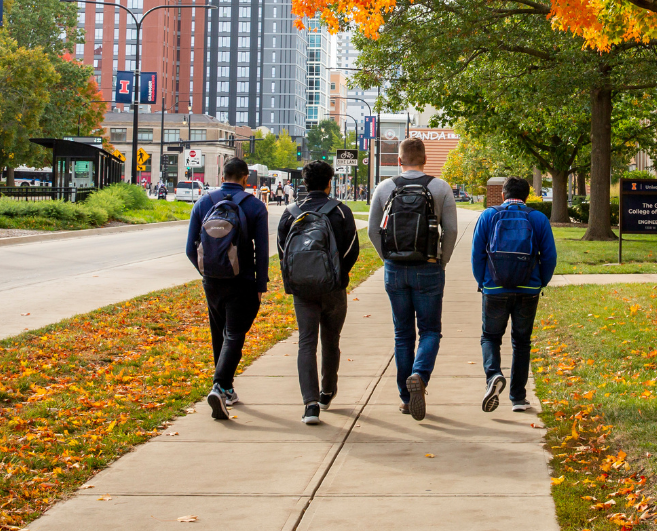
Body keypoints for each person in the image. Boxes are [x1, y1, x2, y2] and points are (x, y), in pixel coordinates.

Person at [367, 137, 460, 420]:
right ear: (425, 159)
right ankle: (419, 375)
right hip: (429, 267)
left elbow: (373, 230)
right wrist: (441, 260)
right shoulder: (440, 187)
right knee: (430, 331)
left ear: (399, 160)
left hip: (395, 269)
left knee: (402, 334)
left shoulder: (385, 188)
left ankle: (406, 399)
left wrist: (388, 259)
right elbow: (452, 231)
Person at [185, 157, 271, 419]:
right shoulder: (255, 207)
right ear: (246, 179)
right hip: (242, 280)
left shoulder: (203, 203)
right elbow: (262, 252)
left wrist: (207, 273)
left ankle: (227, 388)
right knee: (234, 334)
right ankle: (220, 386)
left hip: (212, 282)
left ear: (223, 175)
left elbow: (190, 248)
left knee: (219, 334)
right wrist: (260, 284)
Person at [277, 160, 359, 425]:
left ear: (303, 182)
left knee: (306, 341)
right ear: (329, 183)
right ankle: (327, 391)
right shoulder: (341, 212)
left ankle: (310, 404)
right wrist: (338, 274)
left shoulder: (290, 212)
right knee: (331, 340)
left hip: (302, 289)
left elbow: (282, 251)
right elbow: (352, 250)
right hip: (333, 288)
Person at [470, 176, 557, 413]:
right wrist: (541, 282)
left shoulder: (489, 216)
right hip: (528, 289)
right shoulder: (537, 218)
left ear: (503, 194)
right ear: (527, 196)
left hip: (495, 288)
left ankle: (494, 377)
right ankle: (518, 398)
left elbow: (477, 254)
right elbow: (549, 256)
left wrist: (483, 282)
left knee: (490, 337)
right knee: (521, 342)